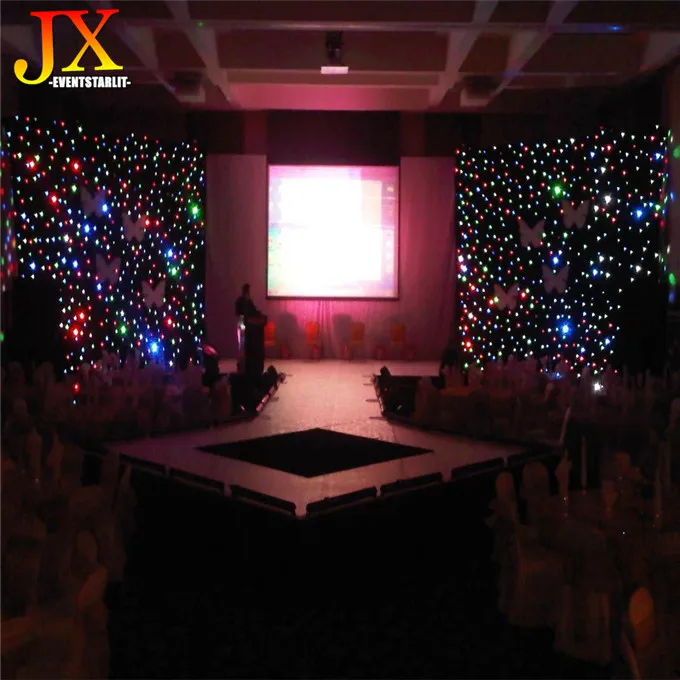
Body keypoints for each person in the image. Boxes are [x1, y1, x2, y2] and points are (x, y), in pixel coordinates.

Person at [235, 284, 259, 361]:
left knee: (246, 342)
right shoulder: (241, 301)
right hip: (242, 322)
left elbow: (254, 311)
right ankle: (241, 359)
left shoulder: (249, 301)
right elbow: (237, 312)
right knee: (241, 343)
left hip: (248, 323)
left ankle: (246, 358)